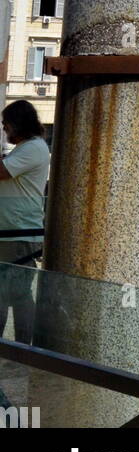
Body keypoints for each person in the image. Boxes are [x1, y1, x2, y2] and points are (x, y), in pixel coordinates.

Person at [0, 100, 50, 342]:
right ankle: (18, 349)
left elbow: (2, 172)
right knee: (13, 294)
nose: (4, 129)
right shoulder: (26, 148)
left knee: (14, 295)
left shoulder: (33, 148)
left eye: (6, 124)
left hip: (18, 234)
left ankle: (18, 349)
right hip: (12, 232)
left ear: (17, 124)